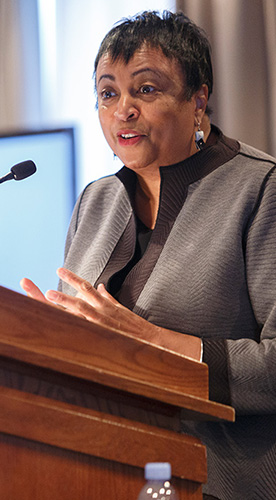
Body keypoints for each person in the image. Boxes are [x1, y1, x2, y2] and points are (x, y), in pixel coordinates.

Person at [21, 10, 276, 500]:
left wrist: (151, 341)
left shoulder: (260, 190)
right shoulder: (95, 202)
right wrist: (44, 337)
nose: (122, 111)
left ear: (198, 100)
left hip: (222, 483)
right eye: (108, 93)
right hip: (103, 473)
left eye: (146, 90)